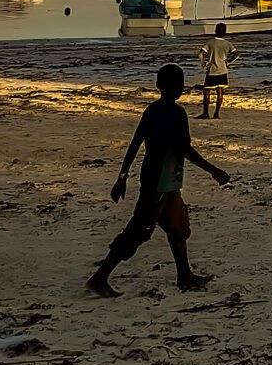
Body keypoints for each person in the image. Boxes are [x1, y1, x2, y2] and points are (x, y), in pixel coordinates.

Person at [88, 63, 228, 297]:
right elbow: (185, 149)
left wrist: (122, 176)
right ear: (181, 88)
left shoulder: (152, 110)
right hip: (161, 182)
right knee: (138, 231)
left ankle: (184, 275)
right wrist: (213, 170)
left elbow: (135, 143)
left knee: (177, 228)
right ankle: (99, 278)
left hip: (158, 178)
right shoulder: (176, 113)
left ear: (158, 86)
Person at [199, 23, 236, 123]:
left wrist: (204, 63)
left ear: (215, 31)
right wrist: (228, 62)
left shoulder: (210, 42)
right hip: (223, 69)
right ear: (225, 32)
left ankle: (206, 113)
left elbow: (201, 53)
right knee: (220, 92)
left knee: (206, 91)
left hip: (212, 70)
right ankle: (216, 113)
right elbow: (236, 54)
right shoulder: (227, 44)